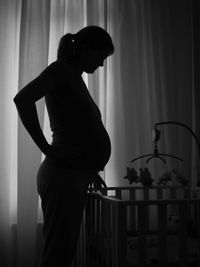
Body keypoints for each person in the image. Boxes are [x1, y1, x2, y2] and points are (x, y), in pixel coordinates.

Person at [13, 25, 114, 267]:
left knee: (64, 252)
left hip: (73, 175)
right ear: (86, 48)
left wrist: (88, 169)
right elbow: (23, 99)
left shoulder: (74, 77)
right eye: (100, 56)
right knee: (58, 255)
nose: (101, 64)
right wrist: (47, 148)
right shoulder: (60, 70)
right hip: (62, 176)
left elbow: (76, 129)